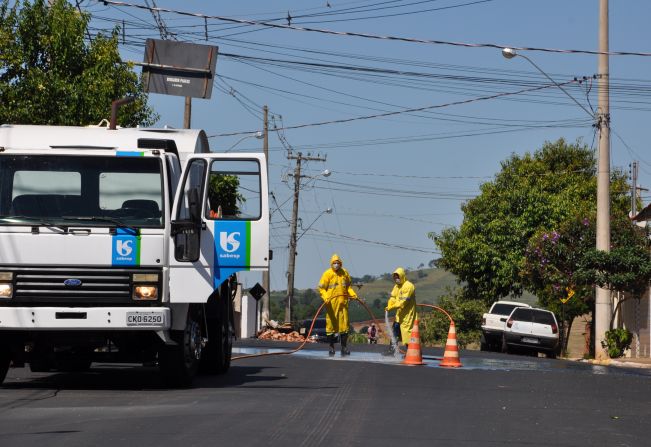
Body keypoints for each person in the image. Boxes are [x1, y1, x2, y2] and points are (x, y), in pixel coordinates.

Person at [318, 254, 359, 356]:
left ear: (340, 263)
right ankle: (331, 348)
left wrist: (353, 294)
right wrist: (326, 297)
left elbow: (348, 287)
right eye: (334, 263)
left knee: (344, 327)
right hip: (331, 305)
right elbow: (321, 288)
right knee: (331, 327)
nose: (336, 265)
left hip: (343, 305)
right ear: (331, 263)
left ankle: (344, 348)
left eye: (338, 263)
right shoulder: (327, 274)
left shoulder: (344, 273)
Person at [385, 267, 417, 350]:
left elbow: (403, 302)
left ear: (402, 276)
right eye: (395, 277)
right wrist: (389, 304)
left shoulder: (408, 286)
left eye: (397, 277)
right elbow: (393, 297)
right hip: (399, 315)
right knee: (395, 331)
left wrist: (392, 306)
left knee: (407, 333)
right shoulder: (396, 287)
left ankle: (411, 352)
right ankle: (392, 350)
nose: (396, 279)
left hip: (408, 315)